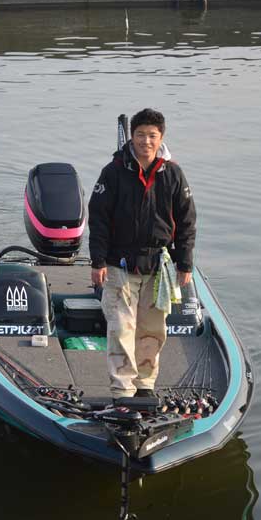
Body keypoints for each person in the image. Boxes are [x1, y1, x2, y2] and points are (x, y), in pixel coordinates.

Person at [88, 108, 196, 401]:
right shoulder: (113, 172)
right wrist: (98, 261)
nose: (145, 141)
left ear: (161, 138)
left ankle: (145, 384)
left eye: (152, 136)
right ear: (132, 136)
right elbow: (98, 218)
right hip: (119, 264)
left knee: (153, 328)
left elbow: (187, 221)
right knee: (121, 327)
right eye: (140, 135)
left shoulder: (172, 173)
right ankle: (123, 389)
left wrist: (185, 263)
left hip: (159, 266)